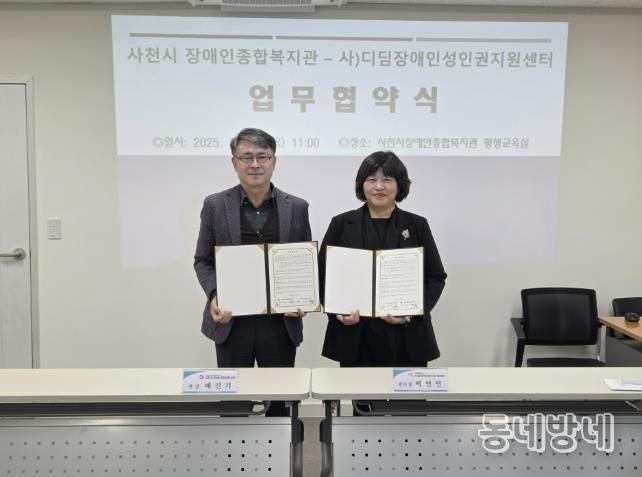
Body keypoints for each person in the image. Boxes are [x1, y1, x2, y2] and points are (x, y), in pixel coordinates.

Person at [194, 128, 311, 416]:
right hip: (232, 322)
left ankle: (283, 446)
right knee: (235, 403)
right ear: (234, 163)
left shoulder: (297, 207)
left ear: (274, 161)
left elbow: (303, 264)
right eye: (246, 157)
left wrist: (303, 300)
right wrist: (215, 294)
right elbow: (203, 260)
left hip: (280, 324)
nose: (255, 164)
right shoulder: (215, 205)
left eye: (262, 157)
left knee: (280, 403)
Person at [319, 150, 446, 368]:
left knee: (405, 391)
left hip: (407, 335)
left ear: (399, 185)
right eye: (371, 180)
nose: (379, 187)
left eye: (387, 180)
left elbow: (435, 277)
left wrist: (411, 312)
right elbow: (322, 275)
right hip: (355, 335)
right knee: (359, 390)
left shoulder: (417, 225)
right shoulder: (341, 224)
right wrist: (338, 312)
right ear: (361, 185)